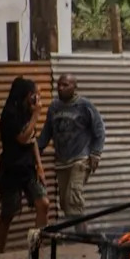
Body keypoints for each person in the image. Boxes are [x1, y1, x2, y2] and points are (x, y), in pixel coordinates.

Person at [38, 74, 105, 221]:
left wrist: (96, 153)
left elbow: (99, 130)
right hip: (62, 162)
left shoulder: (84, 106)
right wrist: (36, 152)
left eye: (65, 85)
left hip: (80, 160)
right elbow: (46, 133)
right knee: (65, 203)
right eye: (59, 85)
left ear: (75, 87)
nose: (60, 88)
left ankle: (83, 237)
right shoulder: (54, 107)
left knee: (73, 199)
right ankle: (78, 236)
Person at [0, 77, 50, 253]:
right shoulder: (10, 115)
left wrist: (39, 166)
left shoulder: (28, 111)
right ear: (28, 95)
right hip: (12, 169)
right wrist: (36, 115)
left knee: (43, 203)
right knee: (8, 213)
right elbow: (22, 137)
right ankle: (0, 251)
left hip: (28, 168)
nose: (38, 99)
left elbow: (32, 139)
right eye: (36, 95)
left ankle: (37, 248)